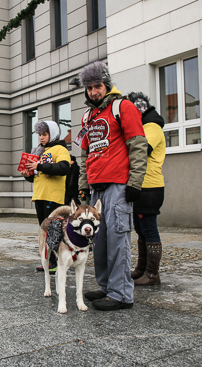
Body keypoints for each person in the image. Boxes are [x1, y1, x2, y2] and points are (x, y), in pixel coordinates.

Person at [78, 61, 147, 311]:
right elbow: (84, 155)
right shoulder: (88, 116)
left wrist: (135, 182)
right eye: (89, 88)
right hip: (96, 187)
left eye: (97, 86)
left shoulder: (123, 107)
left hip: (119, 184)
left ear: (106, 85)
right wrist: (83, 186)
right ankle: (107, 287)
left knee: (118, 239)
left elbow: (138, 145)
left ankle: (121, 294)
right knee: (100, 240)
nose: (93, 91)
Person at [21, 120, 70, 274]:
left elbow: (63, 168)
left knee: (54, 231)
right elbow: (37, 175)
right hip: (40, 195)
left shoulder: (60, 149)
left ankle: (58, 261)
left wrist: (39, 166)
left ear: (52, 133)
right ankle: (48, 261)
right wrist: (28, 175)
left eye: (45, 134)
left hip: (53, 196)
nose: (41, 137)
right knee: (44, 230)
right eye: (40, 134)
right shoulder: (39, 151)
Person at [127, 92, 166, 286]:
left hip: (150, 186)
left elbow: (142, 149)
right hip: (141, 185)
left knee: (149, 229)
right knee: (141, 229)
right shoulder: (145, 126)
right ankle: (141, 269)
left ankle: (152, 274)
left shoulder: (151, 127)